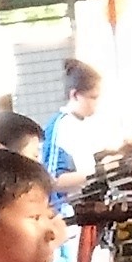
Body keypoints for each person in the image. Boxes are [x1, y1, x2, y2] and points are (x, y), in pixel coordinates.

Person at [40, 62, 102, 192]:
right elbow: (53, 180)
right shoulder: (60, 126)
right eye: (93, 97)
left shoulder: (84, 124)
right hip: (68, 204)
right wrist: (100, 172)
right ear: (74, 95)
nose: (97, 103)